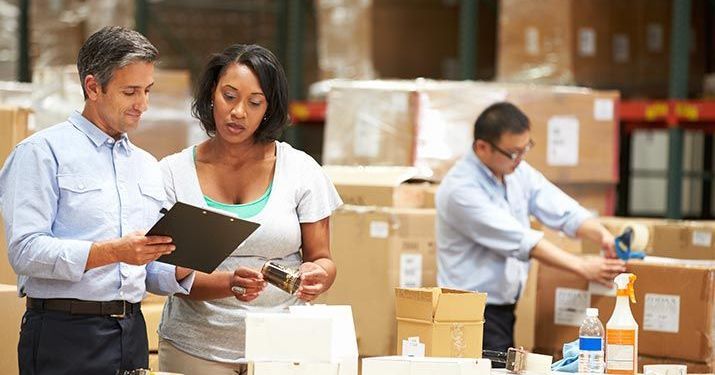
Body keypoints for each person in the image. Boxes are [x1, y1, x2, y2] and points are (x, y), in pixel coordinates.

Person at [0, 26, 197, 374]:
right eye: (130, 91)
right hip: (64, 333)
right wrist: (113, 252)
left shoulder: (146, 166)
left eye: (148, 91)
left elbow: (147, 270)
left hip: (131, 333)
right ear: (93, 87)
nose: (143, 104)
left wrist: (188, 259)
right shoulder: (41, 153)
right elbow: (25, 252)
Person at [157, 44, 342, 375]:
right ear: (211, 95)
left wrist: (318, 276)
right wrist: (229, 283)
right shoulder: (172, 173)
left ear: (269, 109)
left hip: (285, 348)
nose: (238, 112)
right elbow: (165, 274)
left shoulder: (301, 170)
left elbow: (323, 258)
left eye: (254, 103)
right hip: (197, 349)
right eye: (229, 96)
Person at [436, 102, 626, 356]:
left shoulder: (516, 171)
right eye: (514, 152)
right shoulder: (460, 190)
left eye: (526, 148)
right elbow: (522, 241)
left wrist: (601, 234)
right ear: (482, 147)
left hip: (500, 310)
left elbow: (562, 209)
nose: (521, 158)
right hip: (467, 313)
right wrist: (582, 267)